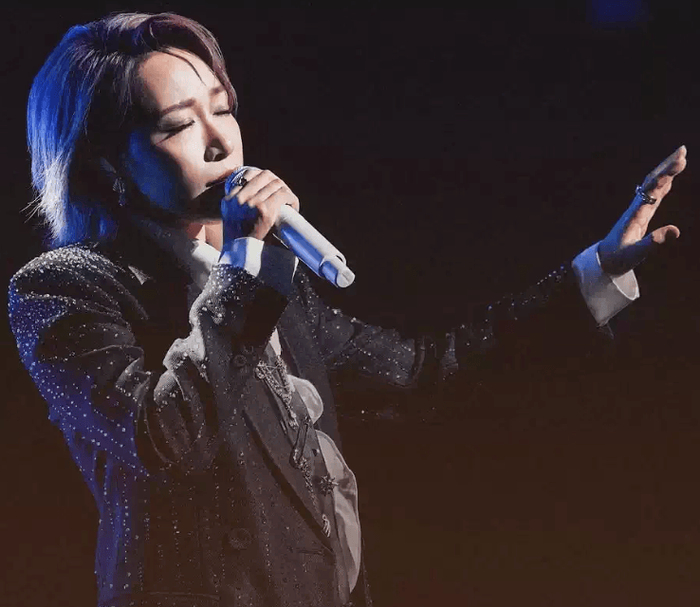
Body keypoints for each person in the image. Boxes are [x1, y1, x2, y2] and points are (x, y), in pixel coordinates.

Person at [7, 11, 686, 607]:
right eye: (180, 125)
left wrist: (596, 273)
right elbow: (164, 440)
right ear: (108, 166)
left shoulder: (272, 282)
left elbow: (424, 371)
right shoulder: (66, 288)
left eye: (223, 108)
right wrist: (243, 265)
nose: (221, 141)